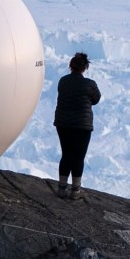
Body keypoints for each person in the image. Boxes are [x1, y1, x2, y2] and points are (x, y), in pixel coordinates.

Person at [53, 51, 100, 199]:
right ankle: (75, 191)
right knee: (78, 157)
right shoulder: (90, 84)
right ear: (85, 67)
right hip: (82, 126)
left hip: (63, 123)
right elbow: (96, 99)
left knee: (66, 154)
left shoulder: (63, 81)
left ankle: (61, 188)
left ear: (70, 66)